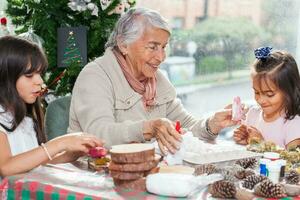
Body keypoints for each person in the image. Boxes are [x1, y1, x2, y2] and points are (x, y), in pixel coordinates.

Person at [68, 7, 238, 154]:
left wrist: (212, 124)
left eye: (164, 47)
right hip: (93, 175)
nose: (161, 57)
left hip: (144, 172)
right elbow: (98, 135)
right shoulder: (95, 75)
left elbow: (185, 128)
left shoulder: (157, 80)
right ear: (123, 44)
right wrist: (148, 128)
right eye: (152, 47)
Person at [0, 36, 103, 177]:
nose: (40, 81)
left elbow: (35, 164)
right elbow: (6, 167)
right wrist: (59, 143)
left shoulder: (26, 119)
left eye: (40, 74)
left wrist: (71, 153)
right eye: (29, 75)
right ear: (5, 77)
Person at [233, 47, 300, 149]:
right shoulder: (252, 115)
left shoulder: (293, 125)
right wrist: (245, 139)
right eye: (256, 92)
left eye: (269, 94)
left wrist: (262, 145)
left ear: (289, 90)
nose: (260, 100)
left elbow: (293, 162)